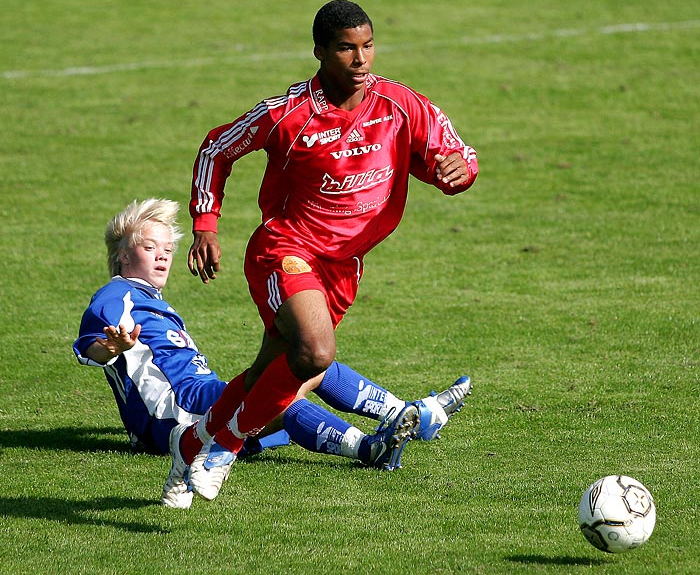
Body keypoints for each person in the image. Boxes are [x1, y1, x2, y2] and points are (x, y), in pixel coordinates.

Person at [170, 0, 479, 506]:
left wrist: (459, 173)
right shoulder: (286, 115)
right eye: (345, 49)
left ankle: (189, 445)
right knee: (316, 352)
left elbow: (456, 156)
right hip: (285, 250)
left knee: (272, 385)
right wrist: (206, 224)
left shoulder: (401, 105)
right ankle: (223, 450)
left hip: (342, 268)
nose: (360, 61)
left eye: (368, 46)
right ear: (319, 51)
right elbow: (216, 148)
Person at [74, 199, 472, 509]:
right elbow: (91, 344)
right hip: (180, 413)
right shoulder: (116, 295)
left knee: (300, 367)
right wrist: (111, 347)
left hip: (200, 398)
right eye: (149, 247)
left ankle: (403, 423)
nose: (163, 255)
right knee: (288, 379)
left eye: (167, 248)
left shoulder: (150, 298)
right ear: (124, 256)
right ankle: (379, 441)